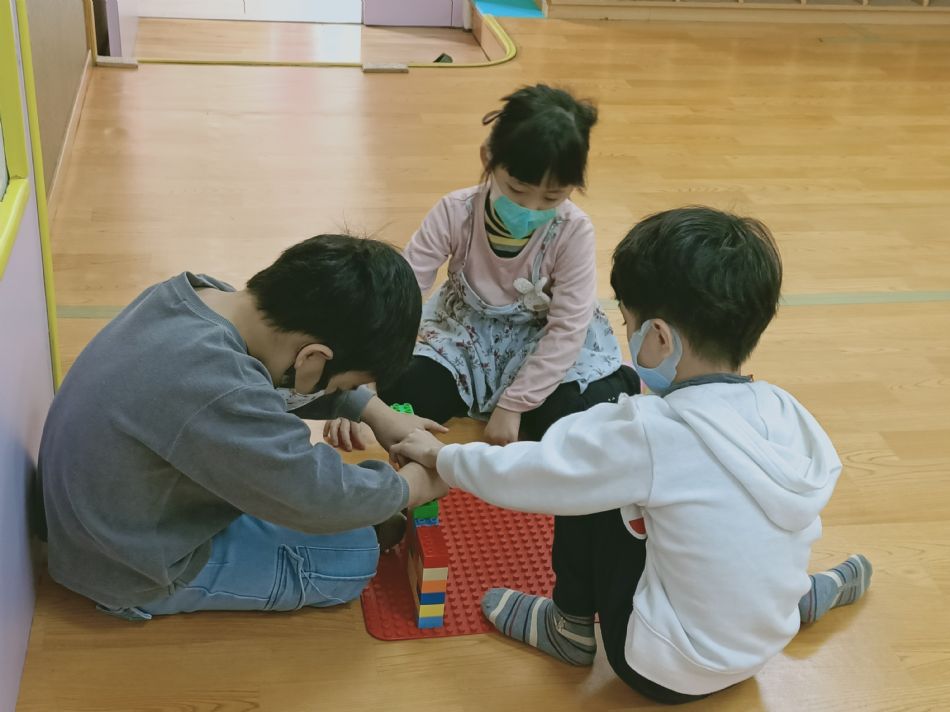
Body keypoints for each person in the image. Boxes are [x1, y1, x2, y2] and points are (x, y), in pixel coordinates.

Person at [391, 207, 872, 703]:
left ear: (660, 338)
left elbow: (542, 473)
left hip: (661, 670)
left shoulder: (648, 432)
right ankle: (795, 597)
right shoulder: (786, 410)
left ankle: (568, 626)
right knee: (738, 520)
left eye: (629, 325)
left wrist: (444, 459)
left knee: (593, 479)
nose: (627, 337)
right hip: (765, 641)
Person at [34, 234, 447, 621]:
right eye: (343, 385)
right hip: (125, 567)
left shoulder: (200, 297)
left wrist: (376, 413)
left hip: (99, 519)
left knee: (336, 509)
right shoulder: (219, 385)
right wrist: (409, 487)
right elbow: (311, 492)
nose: (343, 393)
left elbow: (272, 391)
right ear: (313, 357)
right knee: (352, 559)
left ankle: (363, 507)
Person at [326, 84, 638, 451]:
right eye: (517, 189)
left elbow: (567, 328)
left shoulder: (573, 231)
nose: (532, 208)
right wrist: (358, 388)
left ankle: (619, 379)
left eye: (553, 197)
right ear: (488, 157)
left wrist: (514, 403)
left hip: (542, 341)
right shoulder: (455, 212)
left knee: (565, 419)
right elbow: (401, 293)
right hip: (465, 334)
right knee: (403, 391)